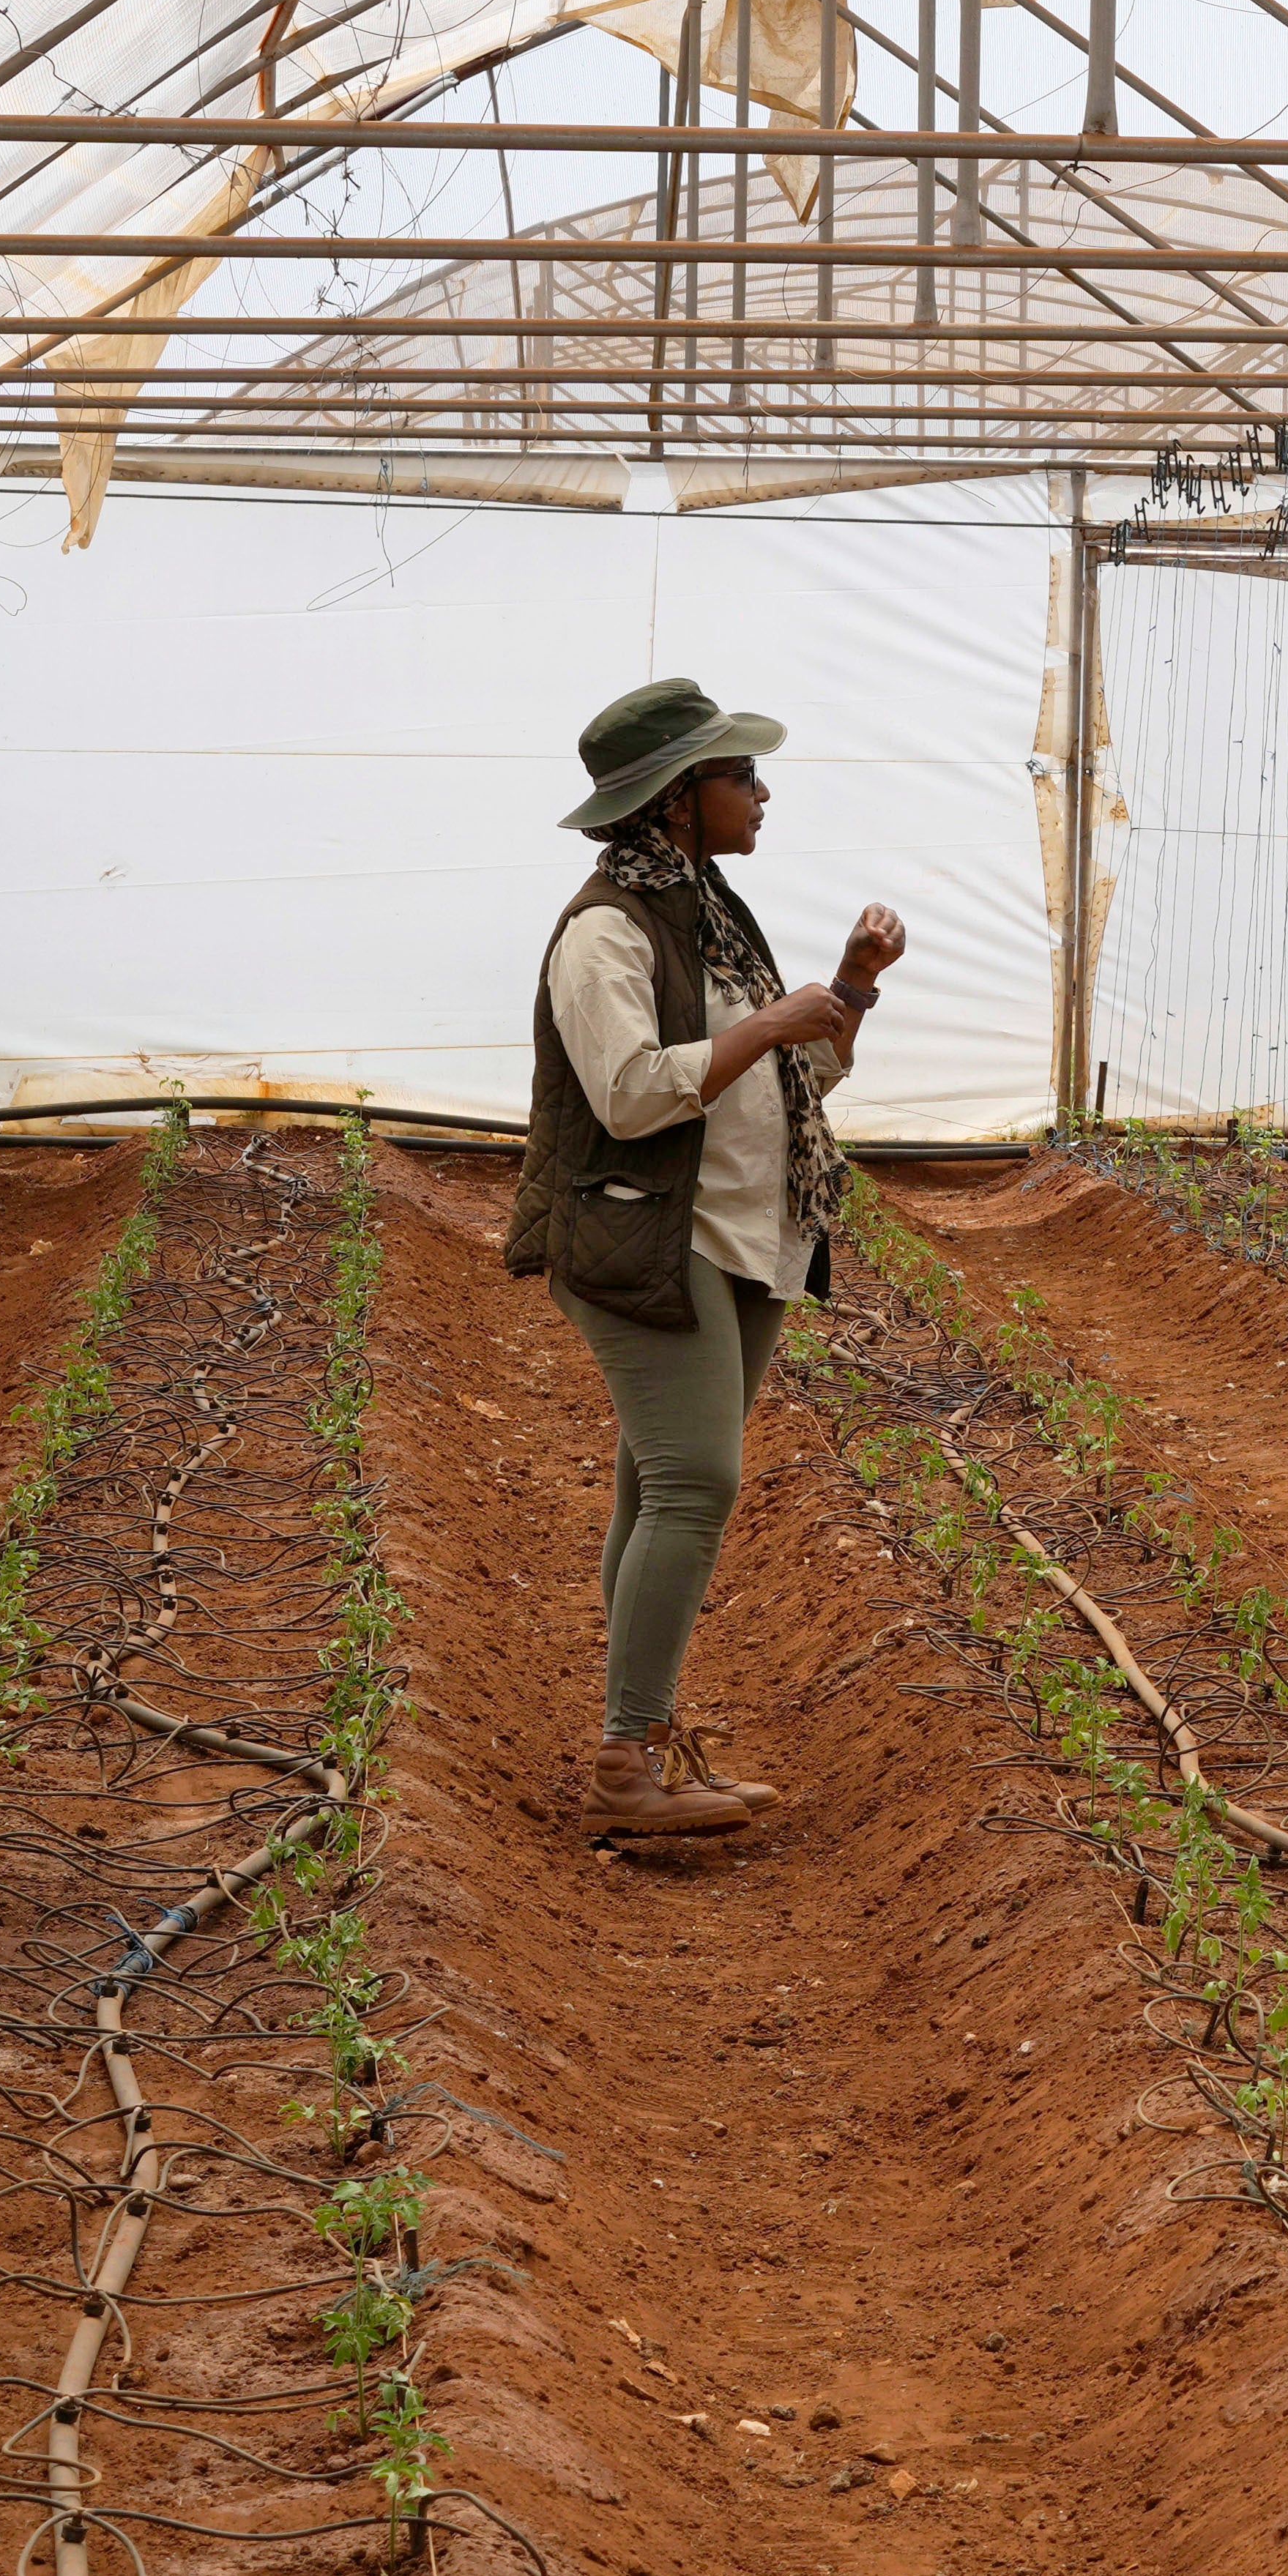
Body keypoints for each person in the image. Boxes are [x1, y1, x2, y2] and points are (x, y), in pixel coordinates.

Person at [508, 678, 900, 1843]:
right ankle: (626, 1761)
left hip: (740, 1236)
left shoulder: (710, 915)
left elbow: (792, 1082)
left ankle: (644, 1728)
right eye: (742, 776)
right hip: (644, 1232)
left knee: (659, 1480)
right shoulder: (606, 932)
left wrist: (850, 989)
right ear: (680, 800)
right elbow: (630, 1097)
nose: (763, 792)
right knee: (696, 1482)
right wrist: (774, 1023)